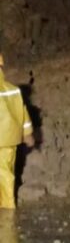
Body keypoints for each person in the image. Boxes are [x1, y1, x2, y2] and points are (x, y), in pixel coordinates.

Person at [0, 53, 34, 209]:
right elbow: (23, 113)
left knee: (4, 174)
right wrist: (27, 133)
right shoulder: (13, 90)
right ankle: (6, 206)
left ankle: (7, 210)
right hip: (9, 139)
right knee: (6, 172)